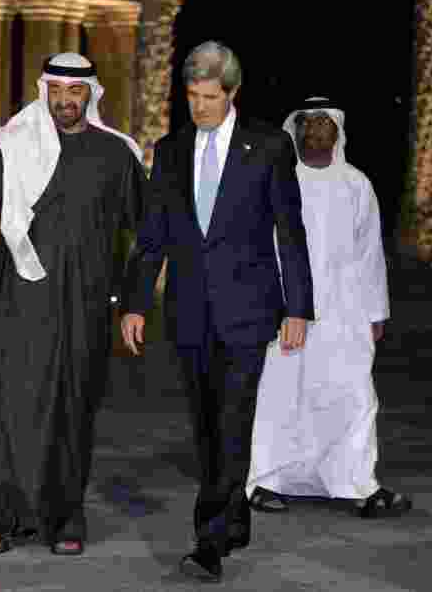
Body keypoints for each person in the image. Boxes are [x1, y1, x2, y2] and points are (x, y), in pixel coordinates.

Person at [0, 53, 146, 556]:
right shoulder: (17, 145)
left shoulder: (116, 155)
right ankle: (5, 514)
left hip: (87, 305)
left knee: (73, 409)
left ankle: (66, 520)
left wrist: (133, 302)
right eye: (56, 90)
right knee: (11, 403)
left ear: (90, 95)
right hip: (24, 297)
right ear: (45, 92)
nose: (64, 100)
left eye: (74, 92)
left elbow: (146, 232)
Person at [120, 41, 314, 582]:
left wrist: (299, 307)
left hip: (249, 310)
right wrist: (135, 303)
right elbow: (153, 235)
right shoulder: (172, 148)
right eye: (191, 95)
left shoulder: (270, 146)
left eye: (209, 96)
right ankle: (233, 515)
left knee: (232, 419)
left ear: (231, 93)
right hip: (188, 310)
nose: (199, 106)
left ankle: (209, 541)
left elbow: (289, 232)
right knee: (206, 425)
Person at [246, 97, 412, 518]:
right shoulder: (275, 179)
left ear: (338, 131)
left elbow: (369, 252)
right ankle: (265, 481)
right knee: (280, 396)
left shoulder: (356, 183)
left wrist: (376, 312)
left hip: (345, 311)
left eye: (326, 123)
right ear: (296, 130)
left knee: (353, 395)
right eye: (311, 123)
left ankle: (356, 482)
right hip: (285, 311)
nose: (318, 129)